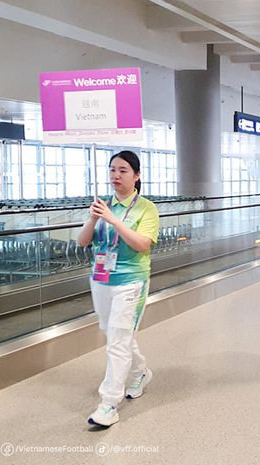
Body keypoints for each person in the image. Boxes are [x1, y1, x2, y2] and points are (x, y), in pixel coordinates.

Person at [77, 150, 160, 427]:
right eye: (112, 169)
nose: (116, 175)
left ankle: (109, 403)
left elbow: (142, 244)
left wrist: (113, 220)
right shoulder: (102, 205)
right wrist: (93, 219)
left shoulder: (146, 208)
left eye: (123, 170)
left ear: (137, 176)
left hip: (131, 280)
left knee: (117, 340)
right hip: (101, 277)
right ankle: (140, 372)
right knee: (112, 333)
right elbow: (82, 242)